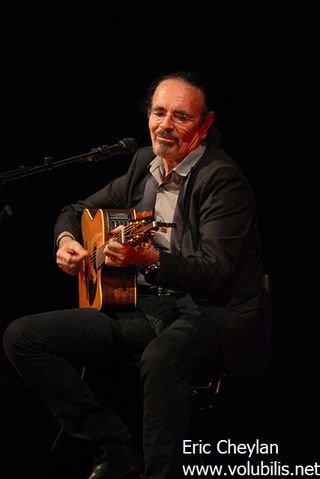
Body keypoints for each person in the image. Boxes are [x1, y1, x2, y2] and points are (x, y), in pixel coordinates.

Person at [3, 71, 270, 479]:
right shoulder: (144, 163)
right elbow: (74, 211)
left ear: (205, 124)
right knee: (23, 337)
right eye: (159, 112)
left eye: (181, 116)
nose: (166, 125)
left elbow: (214, 273)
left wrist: (146, 259)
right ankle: (113, 448)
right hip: (150, 308)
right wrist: (66, 243)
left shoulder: (222, 180)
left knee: (161, 358)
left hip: (213, 313)